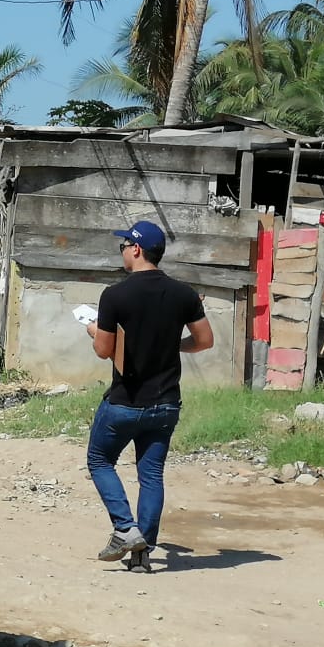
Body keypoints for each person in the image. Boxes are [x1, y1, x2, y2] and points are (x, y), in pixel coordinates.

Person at [85, 220, 214, 574]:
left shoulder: (115, 295)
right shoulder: (184, 294)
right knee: (151, 474)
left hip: (126, 401)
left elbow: (103, 350)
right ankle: (142, 554)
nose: (122, 251)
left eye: (124, 245)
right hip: (166, 402)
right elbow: (205, 341)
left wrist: (94, 329)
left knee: (99, 460)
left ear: (137, 249)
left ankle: (125, 529)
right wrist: (173, 342)